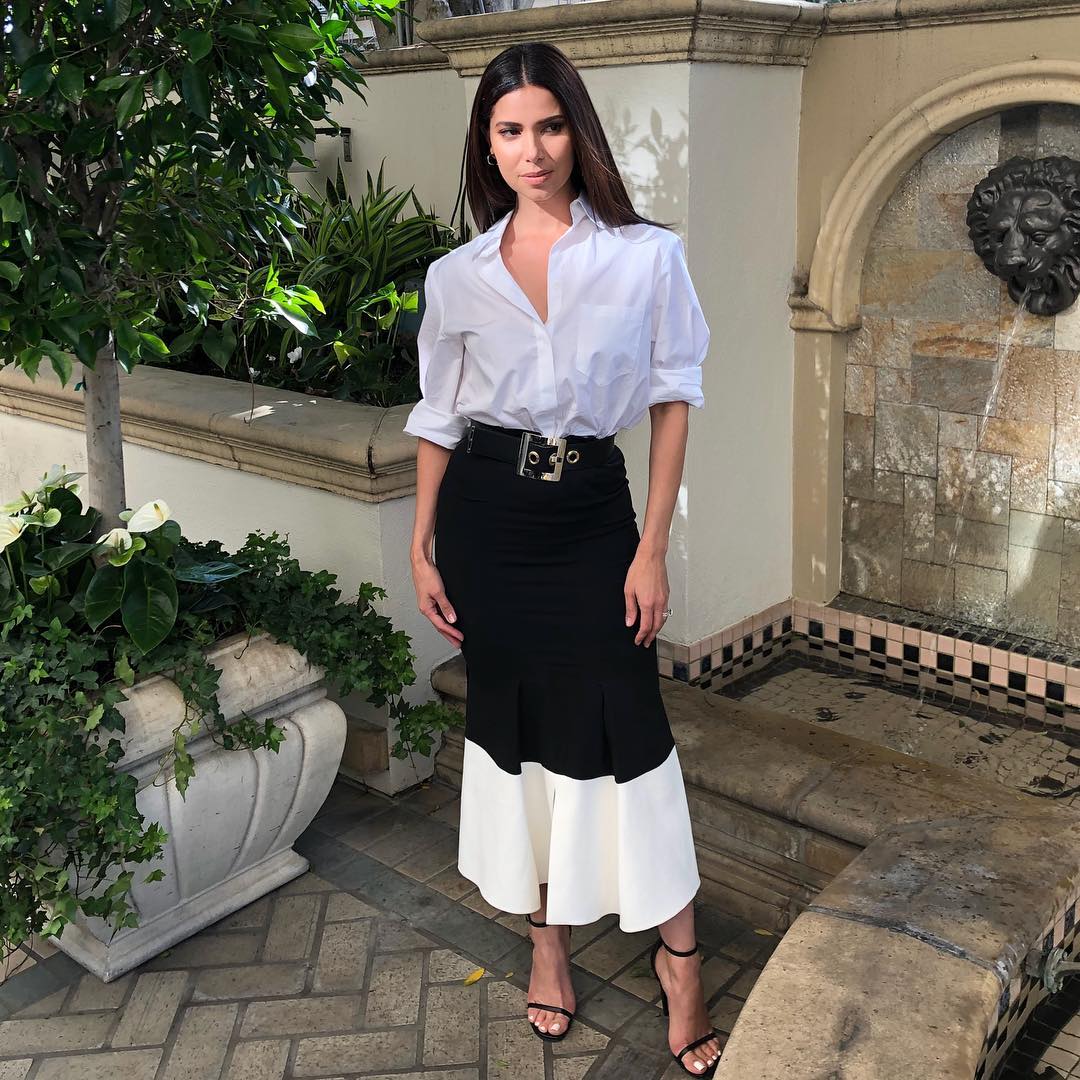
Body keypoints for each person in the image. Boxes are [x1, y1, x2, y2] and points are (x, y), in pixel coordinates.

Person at [403, 41, 722, 1077]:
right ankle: (548, 944)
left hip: (591, 517)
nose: (531, 150)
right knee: (518, 730)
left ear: (576, 132)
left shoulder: (645, 256)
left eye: (547, 126)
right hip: (486, 521)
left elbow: (673, 398)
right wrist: (422, 544)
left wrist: (651, 547)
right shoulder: (456, 276)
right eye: (509, 130)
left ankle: (680, 962)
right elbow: (440, 417)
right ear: (486, 144)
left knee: (631, 726)